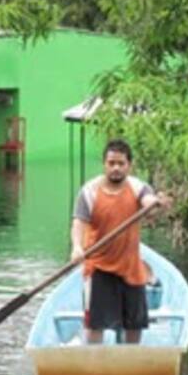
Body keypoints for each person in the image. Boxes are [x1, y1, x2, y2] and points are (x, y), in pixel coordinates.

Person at [70, 139, 170, 344]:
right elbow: (78, 223)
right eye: (111, 163)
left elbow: (148, 203)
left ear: (129, 166)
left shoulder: (138, 187)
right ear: (104, 164)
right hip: (99, 265)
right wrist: (77, 247)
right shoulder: (89, 191)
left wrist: (157, 205)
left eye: (121, 163)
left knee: (135, 323)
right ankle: (95, 364)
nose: (116, 168)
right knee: (95, 324)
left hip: (130, 265)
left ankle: (131, 361)